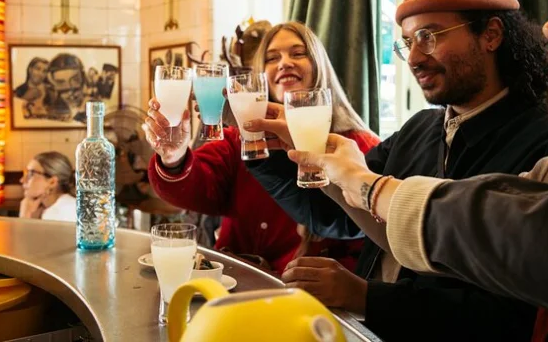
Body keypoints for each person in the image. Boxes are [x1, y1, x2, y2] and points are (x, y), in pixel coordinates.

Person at [287, 0, 548, 340]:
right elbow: (378, 222)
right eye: (407, 42)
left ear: (491, 35)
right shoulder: (421, 127)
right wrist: (289, 153)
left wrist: (365, 295)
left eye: (428, 37)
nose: (414, 58)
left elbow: (513, 311)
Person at [143, 21, 379, 273]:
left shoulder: (359, 147)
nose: (284, 63)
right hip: (232, 283)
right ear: (260, 77)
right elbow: (197, 189)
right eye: (272, 58)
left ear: (320, 66)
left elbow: (367, 242)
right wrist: (175, 156)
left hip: (302, 292)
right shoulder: (237, 140)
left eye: (298, 53)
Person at [19, 151, 77, 222]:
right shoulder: (48, 209)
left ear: (52, 182)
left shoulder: (63, 212)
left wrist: (25, 215)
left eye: (31, 174)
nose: (22, 180)